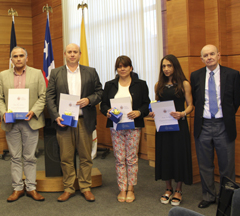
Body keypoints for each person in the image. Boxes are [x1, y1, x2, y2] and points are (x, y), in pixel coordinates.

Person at [46, 43, 103, 202]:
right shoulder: (56, 73)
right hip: (64, 121)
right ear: (65, 54)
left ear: (80, 54)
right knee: (66, 157)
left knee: (86, 156)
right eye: (69, 52)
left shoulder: (90, 72)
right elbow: (49, 97)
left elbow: (99, 92)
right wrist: (56, 115)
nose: (72, 54)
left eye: (75, 52)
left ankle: (85, 187)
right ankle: (69, 188)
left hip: (84, 121)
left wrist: (89, 100)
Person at [190, 44, 240, 208]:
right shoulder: (195, 75)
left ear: (219, 55)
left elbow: (236, 100)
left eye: (212, 54)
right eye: (206, 55)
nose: (209, 57)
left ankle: (227, 198)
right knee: (205, 164)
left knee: (227, 165)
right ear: (202, 59)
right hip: (203, 125)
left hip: (223, 125)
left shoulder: (232, 74)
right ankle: (209, 196)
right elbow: (196, 100)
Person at [0, 46, 46, 202]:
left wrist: (33, 111)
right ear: (11, 59)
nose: (18, 58)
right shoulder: (3, 75)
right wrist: (4, 113)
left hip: (30, 121)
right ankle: (17, 188)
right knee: (15, 157)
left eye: (21, 56)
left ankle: (31, 187)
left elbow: (43, 96)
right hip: (11, 123)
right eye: (15, 56)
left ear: (27, 58)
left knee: (30, 157)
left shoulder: (37, 73)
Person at [100, 55, 150, 203]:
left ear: (131, 68)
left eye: (125, 66)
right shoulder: (110, 85)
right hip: (116, 127)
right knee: (119, 158)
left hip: (133, 126)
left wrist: (139, 112)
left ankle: (131, 188)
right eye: (119, 66)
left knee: (131, 158)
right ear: (116, 68)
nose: (122, 69)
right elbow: (103, 105)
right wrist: (107, 111)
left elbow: (146, 104)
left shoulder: (141, 84)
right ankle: (122, 187)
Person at [150, 54, 193, 206]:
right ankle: (168, 188)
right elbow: (156, 103)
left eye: (169, 66)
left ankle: (178, 190)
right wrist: (152, 111)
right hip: (162, 126)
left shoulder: (184, 84)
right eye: (164, 66)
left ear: (175, 66)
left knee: (179, 155)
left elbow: (190, 105)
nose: (166, 69)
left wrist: (182, 113)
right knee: (165, 155)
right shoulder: (158, 85)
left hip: (179, 125)